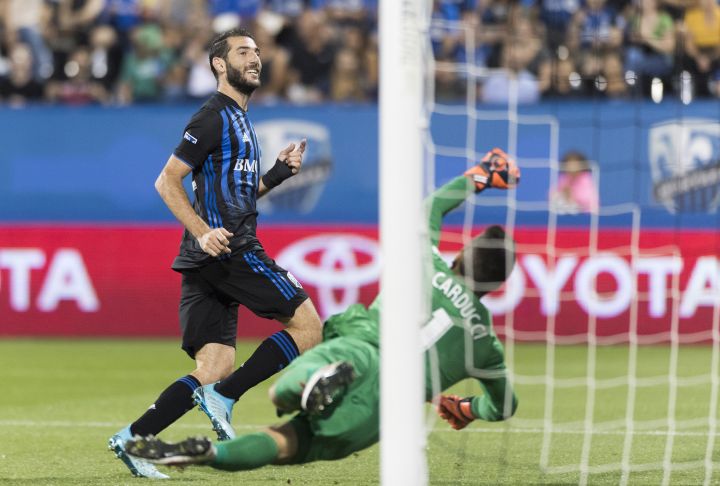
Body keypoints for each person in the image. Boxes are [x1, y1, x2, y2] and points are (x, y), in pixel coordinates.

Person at [124, 148, 521, 472]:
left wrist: (482, 174)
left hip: (358, 351)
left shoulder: (426, 262)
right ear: (499, 286)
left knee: (289, 376)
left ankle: (302, 388)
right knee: (289, 443)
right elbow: (505, 406)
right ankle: (212, 454)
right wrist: (467, 407)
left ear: (462, 256)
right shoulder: (485, 343)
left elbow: (430, 209)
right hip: (386, 406)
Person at [109, 28, 323, 478]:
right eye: (244, 52)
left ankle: (132, 438)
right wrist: (205, 232)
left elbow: (240, 194)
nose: (256, 58)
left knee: (214, 365)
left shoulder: (242, 121)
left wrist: (278, 175)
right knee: (308, 327)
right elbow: (167, 181)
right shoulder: (211, 117)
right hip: (229, 249)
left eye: (258, 52)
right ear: (219, 65)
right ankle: (226, 398)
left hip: (205, 256)